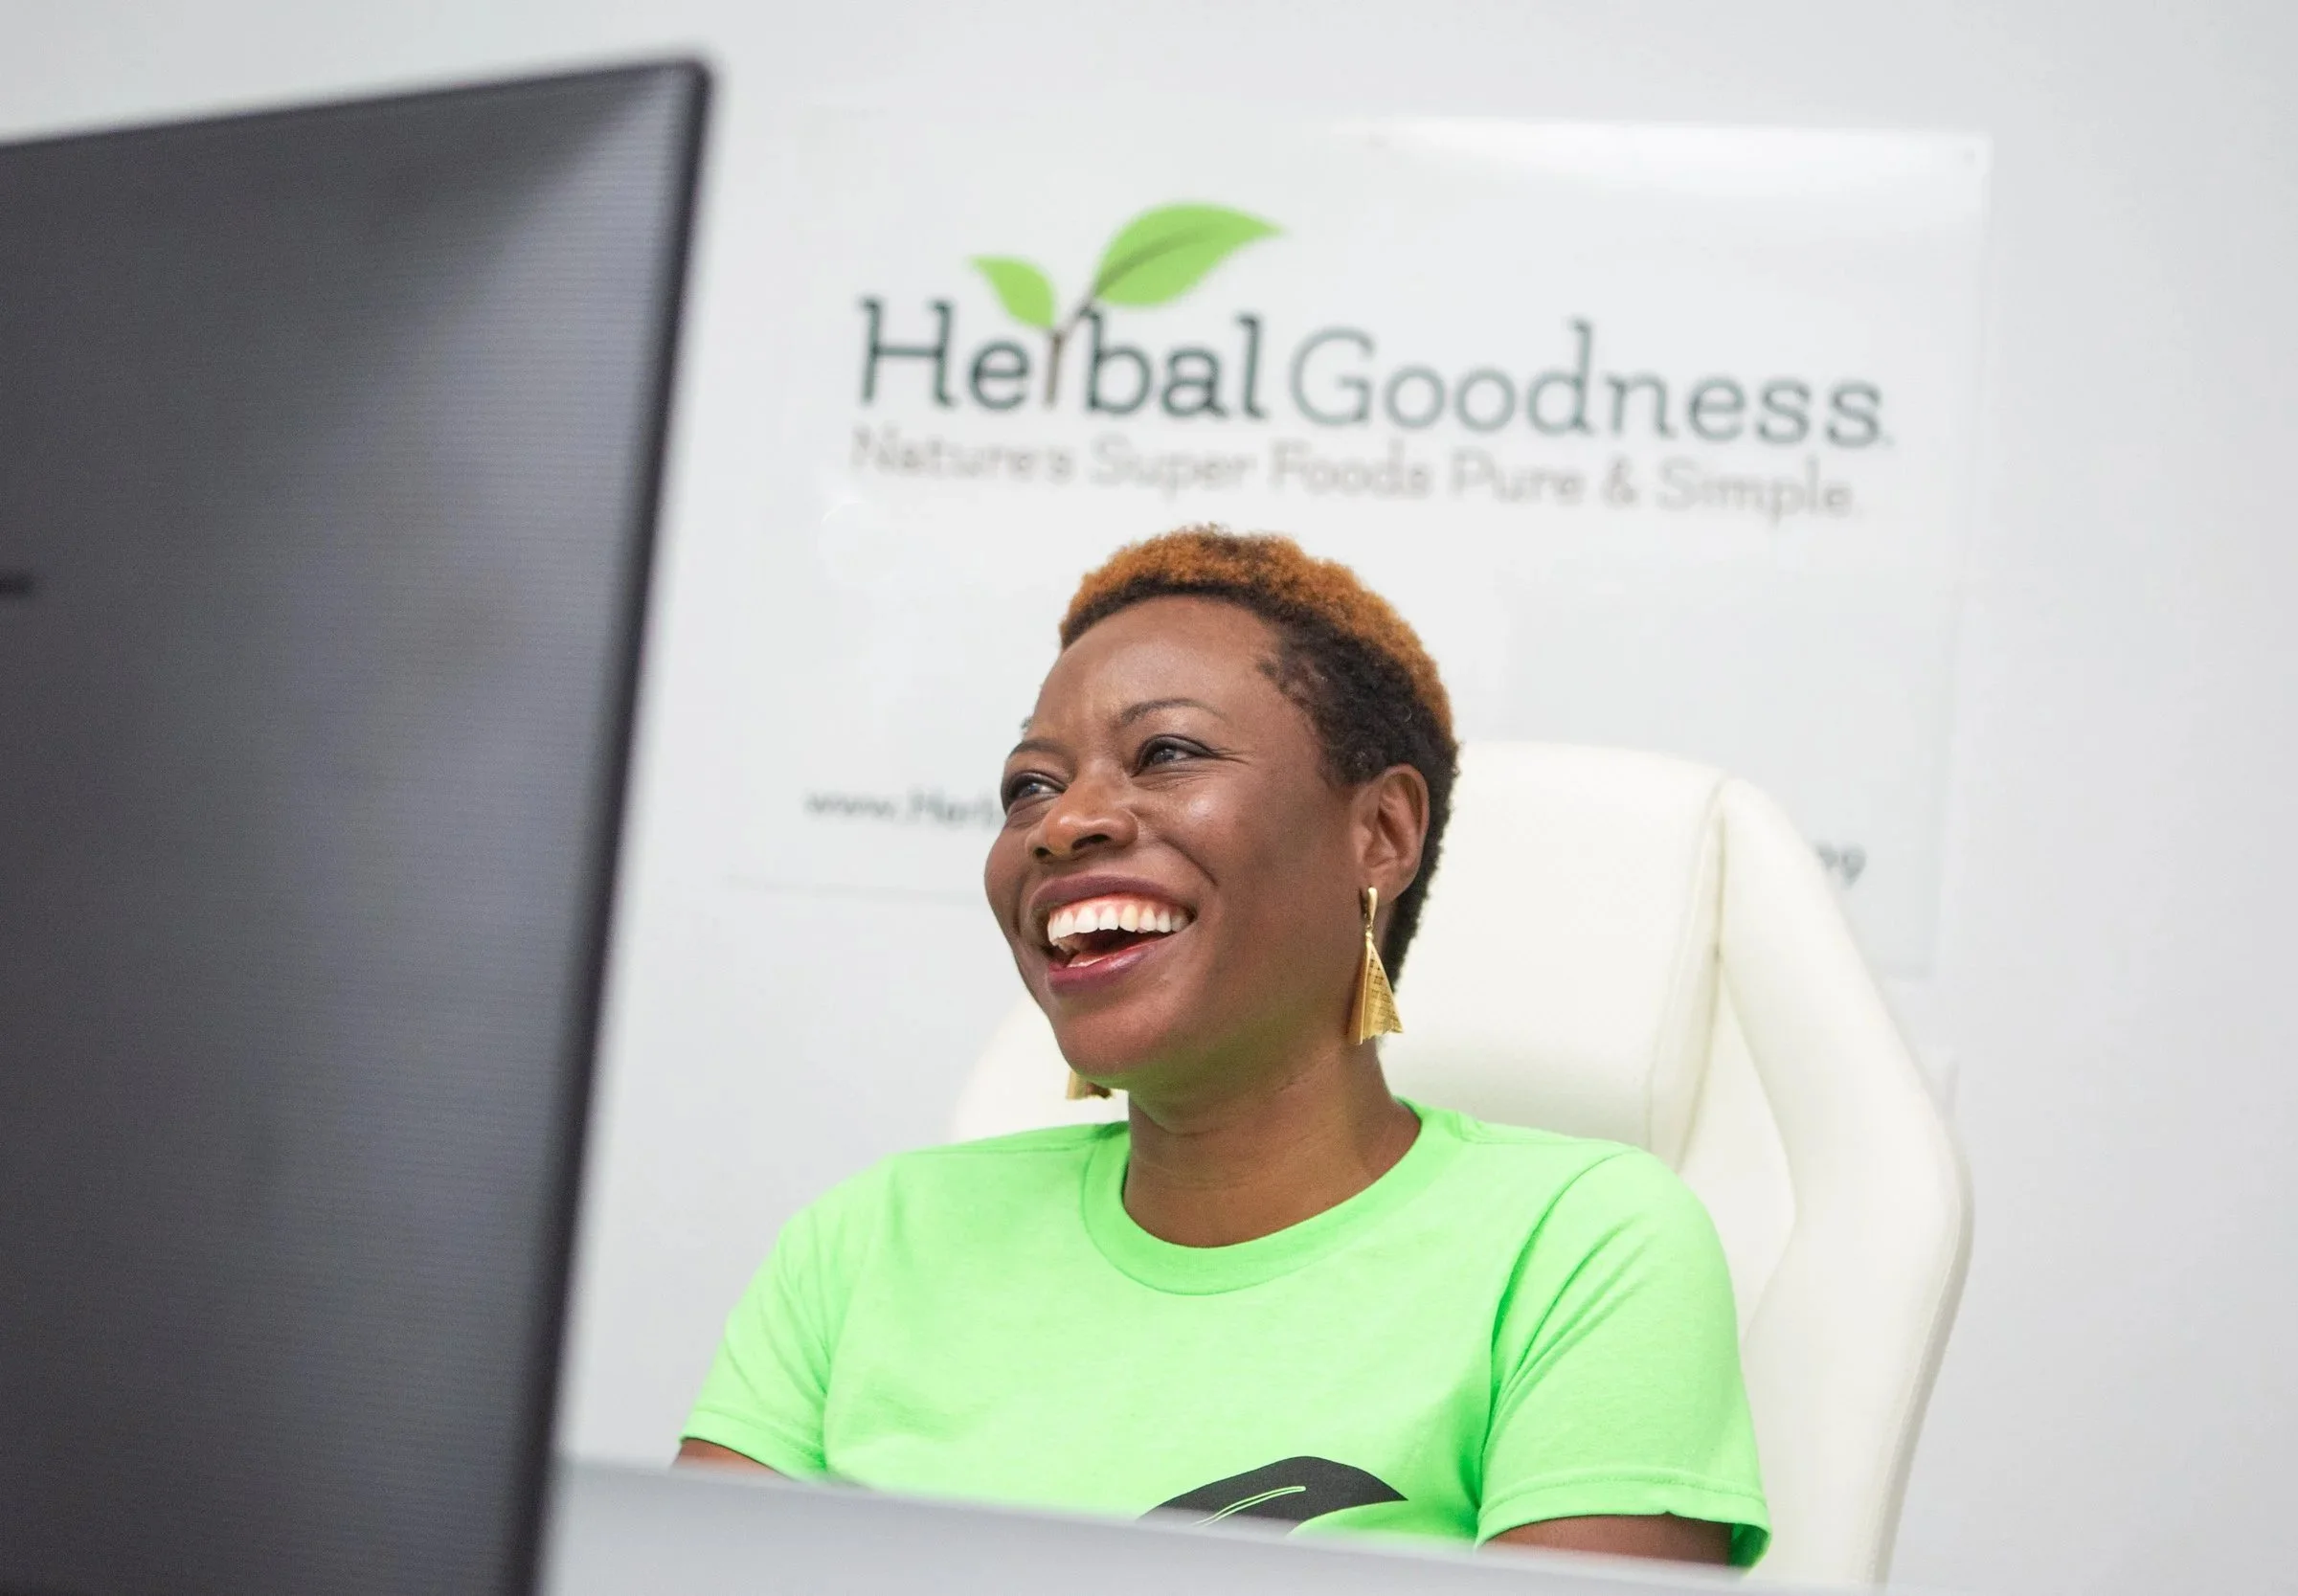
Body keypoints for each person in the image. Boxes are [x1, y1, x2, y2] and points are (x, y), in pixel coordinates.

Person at [677, 527, 1769, 1566]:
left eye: (1166, 753)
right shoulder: (865, 1243)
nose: (1062, 822)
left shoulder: (1582, 1247)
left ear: (1381, 832)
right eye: (1030, 785)